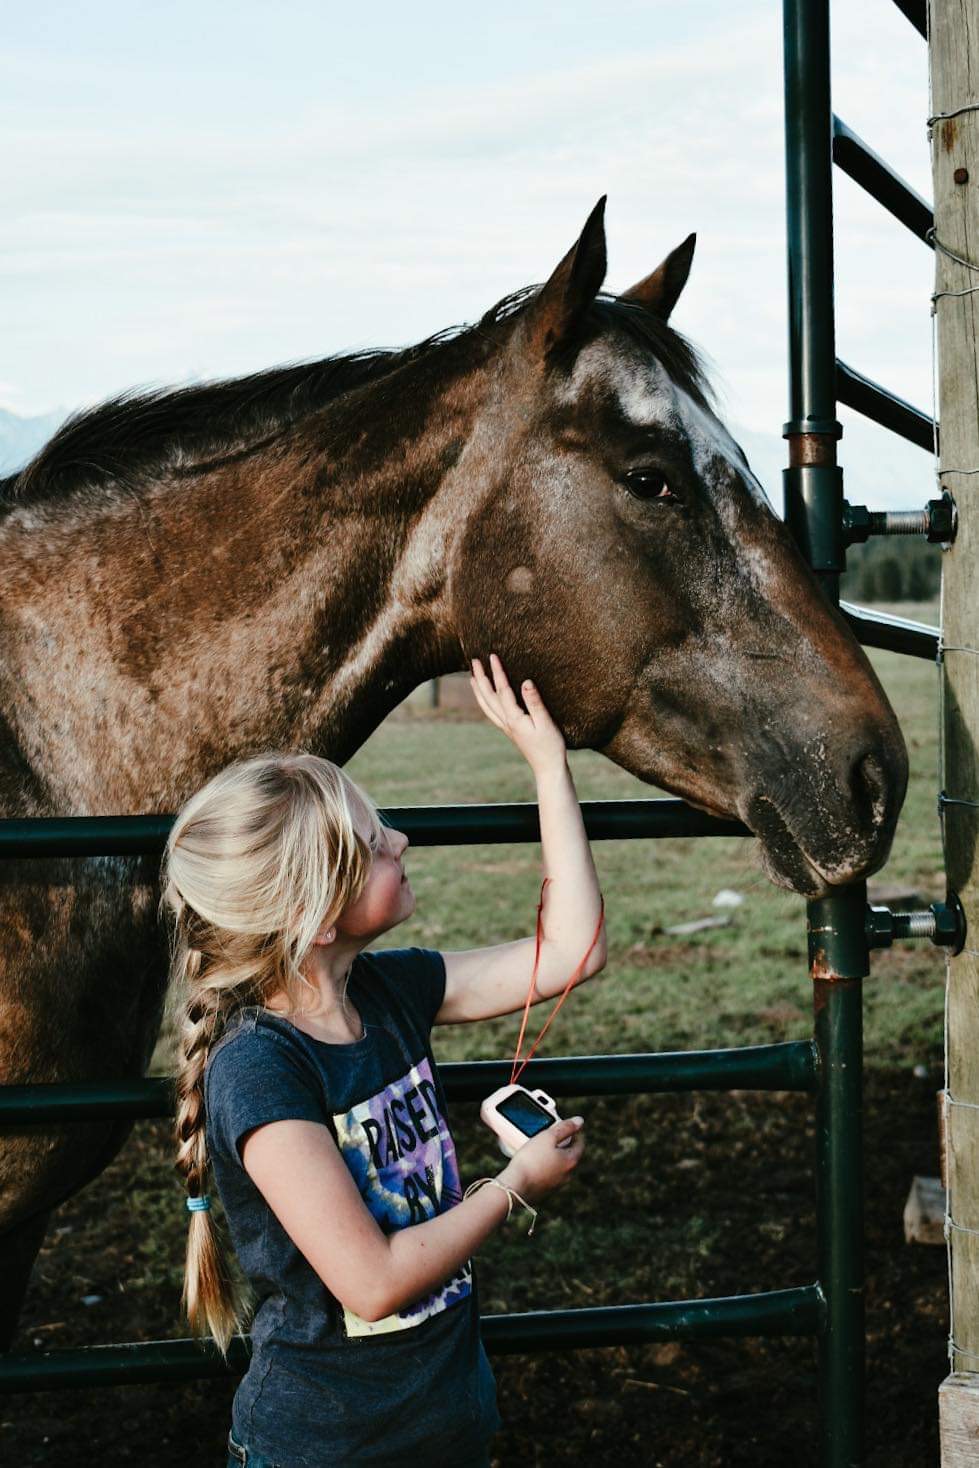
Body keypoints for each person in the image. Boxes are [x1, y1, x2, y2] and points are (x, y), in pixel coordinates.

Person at [159, 652, 607, 1467]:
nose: (401, 839)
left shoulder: (392, 991)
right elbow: (370, 1282)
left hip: (444, 1422)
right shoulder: (261, 1071)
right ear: (317, 917)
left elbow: (571, 950)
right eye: (374, 844)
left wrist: (548, 767)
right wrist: (514, 1188)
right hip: (326, 1446)